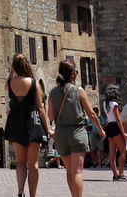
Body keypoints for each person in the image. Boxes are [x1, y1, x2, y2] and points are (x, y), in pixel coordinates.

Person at [46, 61, 104, 197]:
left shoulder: (53, 93)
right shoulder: (78, 90)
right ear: (73, 74)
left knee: (69, 171)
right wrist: (100, 129)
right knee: (77, 171)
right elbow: (92, 114)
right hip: (77, 132)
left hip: (60, 134)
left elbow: (50, 116)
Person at [4, 53, 51, 197]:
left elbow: (6, 85)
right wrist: (48, 127)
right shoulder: (33, 82)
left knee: (20, 162)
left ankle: (20, 190)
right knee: (33, 164)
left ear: (14, 66)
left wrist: (12, 70)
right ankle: (33, 195)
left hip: (16, 123)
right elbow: (40, 107)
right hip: (32, 122)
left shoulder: (10, 83)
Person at [102, 84, 127, 182]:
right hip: (116, 127)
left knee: (112, 152)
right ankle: (121, 173)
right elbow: (118, 119)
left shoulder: (105, 103)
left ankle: (115, 174)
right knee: (123, 150)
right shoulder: (114, 104)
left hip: (109, 127)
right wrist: (123, 132)